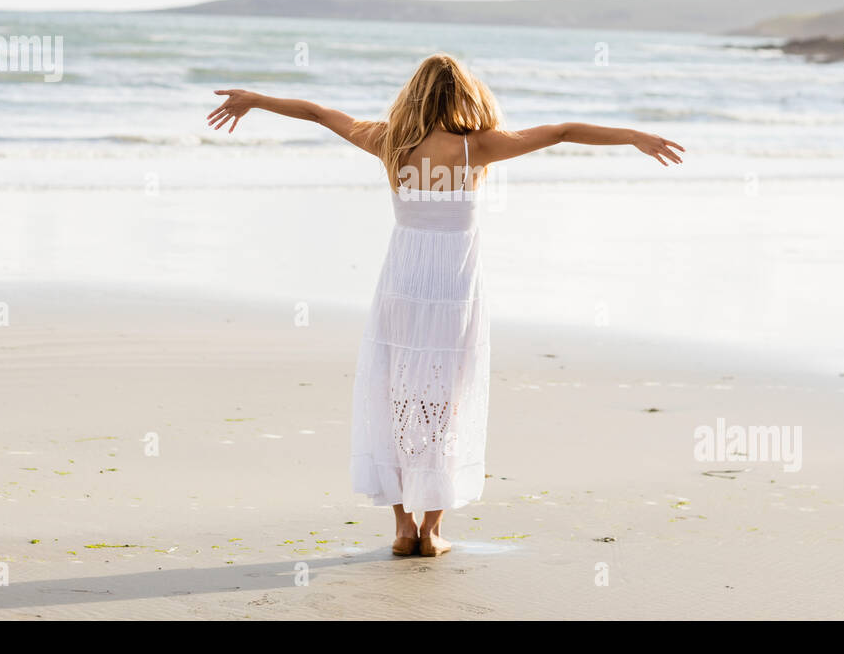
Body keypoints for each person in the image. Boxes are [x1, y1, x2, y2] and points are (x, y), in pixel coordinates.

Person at [207, 53, 684, 557]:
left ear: (412, 94)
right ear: (463, 96)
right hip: (452, 288)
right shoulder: (474, 146)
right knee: (443, 398)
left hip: (400, 283)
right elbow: (562, 131)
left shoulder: (388, 141)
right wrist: (633, 135)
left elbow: (320, 114)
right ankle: (431, 532)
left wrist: (256, 100)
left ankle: (401, 529)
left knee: (395, 393)